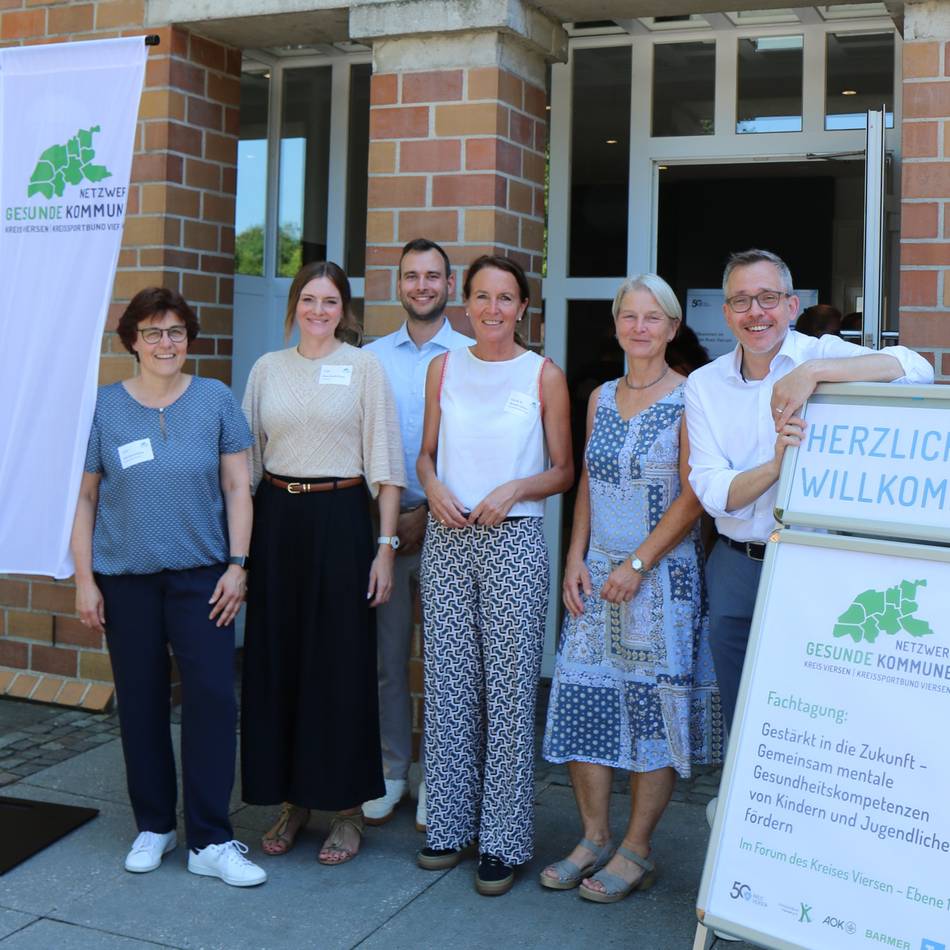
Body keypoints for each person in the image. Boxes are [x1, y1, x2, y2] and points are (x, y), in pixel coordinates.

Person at [685, 249, 934, 734]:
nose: (756, 312)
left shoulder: (818, 354)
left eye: (768, 298)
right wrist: (778, 465)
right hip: (736, 565)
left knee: (813, 704)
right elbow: (713, 492)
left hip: (812, 558)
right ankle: (746, 805)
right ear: (726, 313)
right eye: (741, 301)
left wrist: (813, 373)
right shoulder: (703, 384)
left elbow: (915, 368)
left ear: (792, 306)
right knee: (740, 710)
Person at [71, 287, 266, 887]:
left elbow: (239, 488)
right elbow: (84, 497)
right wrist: (84, 580)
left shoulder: (214, 399)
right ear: (132, 340)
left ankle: (211, 838)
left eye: (176, 331)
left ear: (189, 338)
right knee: (142, 701)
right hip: (125, 579)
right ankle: (155, 825)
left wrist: (238, 564)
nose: (165, 343)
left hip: (202, 578)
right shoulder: (103, 408)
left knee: (211, 697)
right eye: (153, 332)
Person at [541, 274, 721, 904]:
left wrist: (640, 564)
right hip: (599, 573)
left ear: (673, 328)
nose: (639, 327)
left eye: (653, 317)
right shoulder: (599, 398)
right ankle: (593, 836)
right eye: (629, 316)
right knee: (582, 693)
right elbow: (588, 481)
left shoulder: (691, 396)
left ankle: (637, 850)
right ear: (616, 323)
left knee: (652, 713)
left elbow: (695, 495)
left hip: (661, 583)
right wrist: (575, 556)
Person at [416, 255, 573, 896]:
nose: (492, 309)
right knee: (449, 686)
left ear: (522, 308)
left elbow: (564, 469)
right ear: (466, 302)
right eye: (482, 296)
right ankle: (449, 825)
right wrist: (432, 489)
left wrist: (515, 488)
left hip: (513, 543)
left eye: (505, 298)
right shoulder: (443, 367)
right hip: (449, 540)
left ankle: (503, 840)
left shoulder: (544, 375)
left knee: (508, 695)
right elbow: (425, 454)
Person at [240, 261, 405, 866]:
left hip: (340, 522)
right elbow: (247, 466)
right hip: (277, 521)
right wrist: (241, 553)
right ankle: (292, 799)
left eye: (329, 301)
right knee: (278, 660)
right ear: (293, 306)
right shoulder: (266, 370)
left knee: (340, 664)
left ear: (345, 310)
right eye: (308, 299)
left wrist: (384, 550)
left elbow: (387, 469)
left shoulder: (364, 369)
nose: (318, 310)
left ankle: (346, 811)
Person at [362, 238, 471, 831]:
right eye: (412, 276)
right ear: (397, 285)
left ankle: (439, 776)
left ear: (449, 287)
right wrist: (387, 524)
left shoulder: (474, 355)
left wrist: (426, 514)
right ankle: (391, 769)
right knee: (387, 657)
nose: (423, 286)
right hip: (384, 531)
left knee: (446, 660)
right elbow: (355, 448)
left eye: (433, 277)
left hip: (455, 526)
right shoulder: (370, 358)